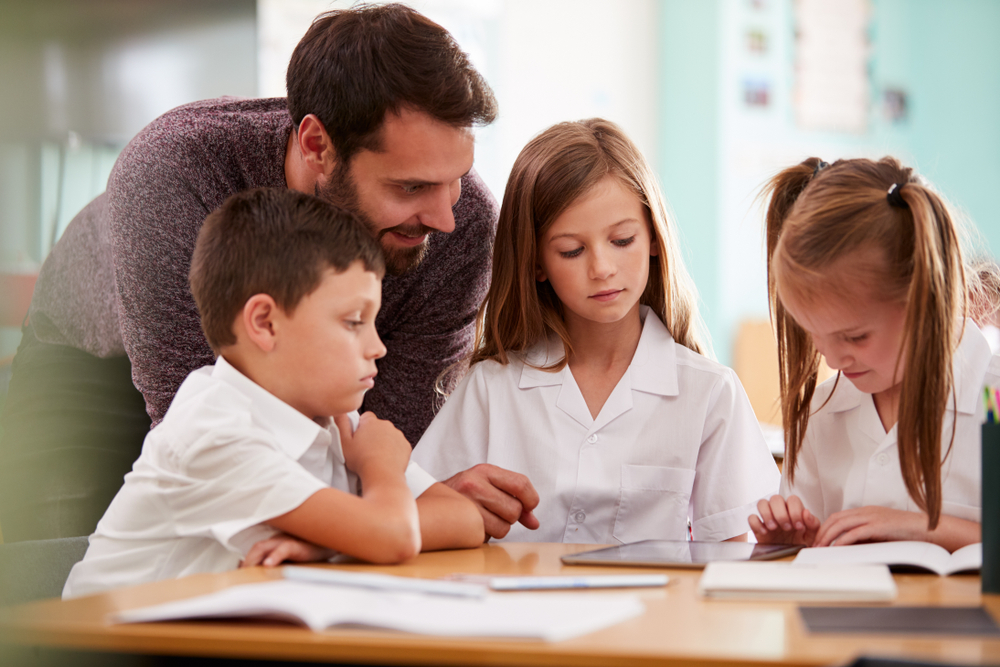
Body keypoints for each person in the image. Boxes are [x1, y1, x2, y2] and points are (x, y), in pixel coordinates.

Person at [0, 4, 499, 542]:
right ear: (316, 148)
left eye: (457, 179)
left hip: (302, 380)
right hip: (100, 361)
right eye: (410, 187)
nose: (445, 218)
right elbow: (201, 421)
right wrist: (363, 519)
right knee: (53, 556)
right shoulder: (175, 169)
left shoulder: (465, 223)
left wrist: (373, 510)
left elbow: (376, 441)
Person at [63, 189, 484, 599]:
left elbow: (464, 519)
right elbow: (394, 536)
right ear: (264, 323)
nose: (378, 347)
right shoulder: (214, 431)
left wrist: (331, 542)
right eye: (354, 321)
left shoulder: (331, 419)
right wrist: (382, 472)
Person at [411, 119, 780, 544]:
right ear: (536, 263)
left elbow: (735, 556)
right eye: (571, 250)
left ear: (654, 238)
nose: (602, 269)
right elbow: (416, 513)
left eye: (622, 240)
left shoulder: (710, 394)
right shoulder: (491, 387)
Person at [749, 156, 1000, 552]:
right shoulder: (823, 412)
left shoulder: (994, 396)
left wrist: (919, 527)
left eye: (855, 337)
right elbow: (818, 548)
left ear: (924, 298)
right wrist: (795, 542)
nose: (832, 360)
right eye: (815, 336)